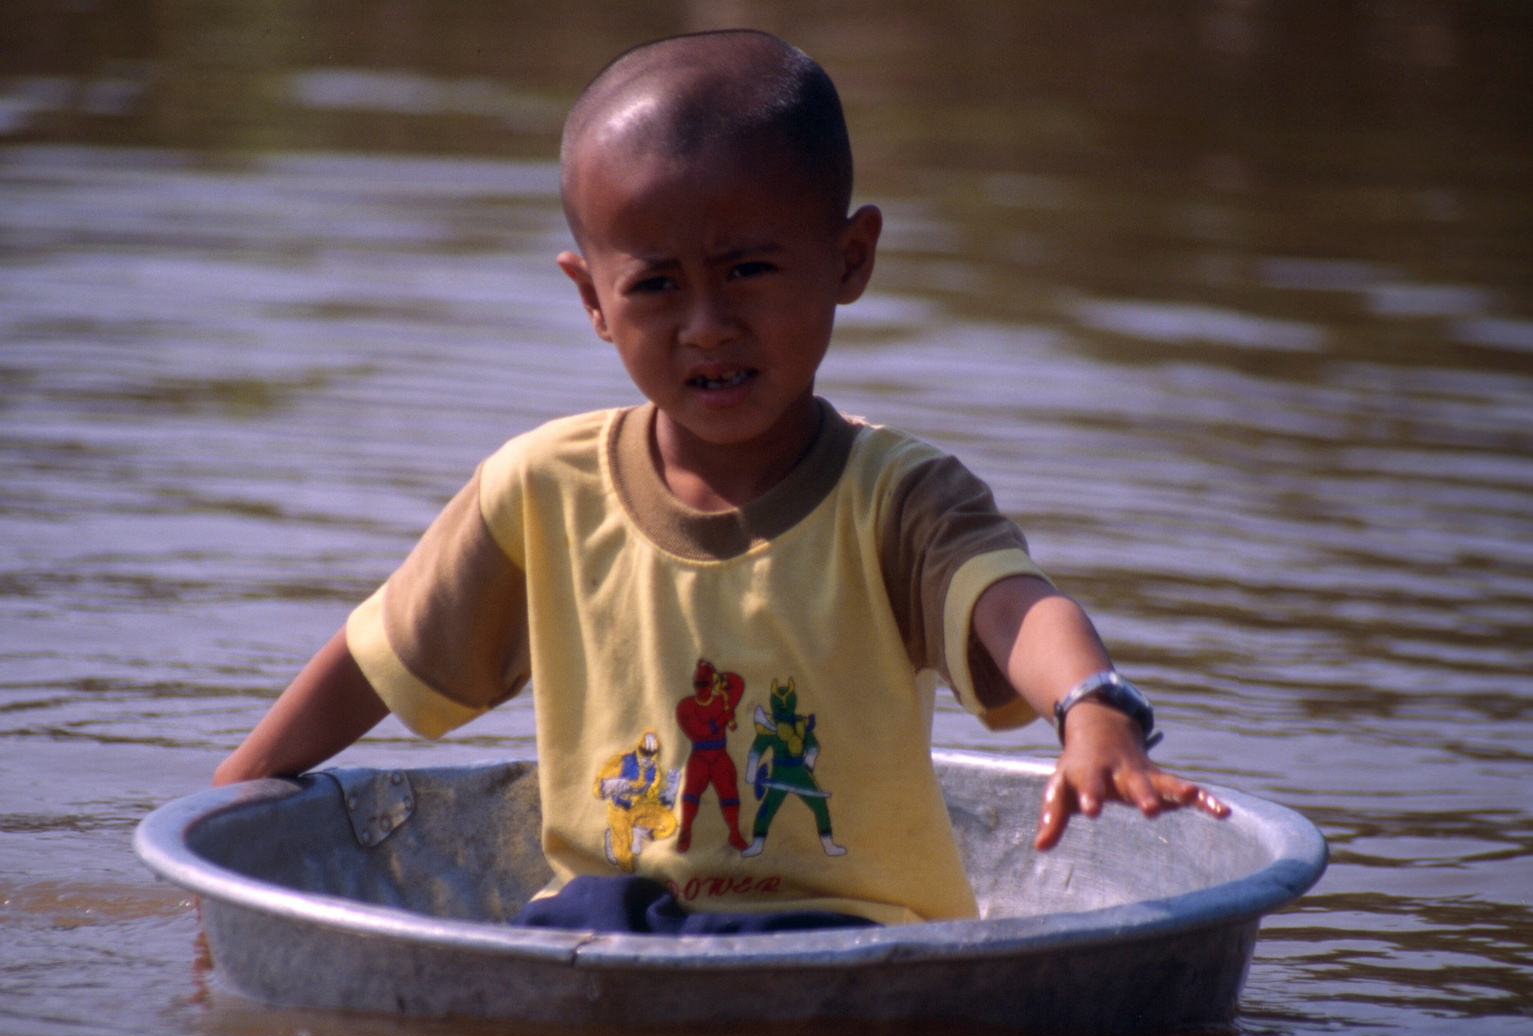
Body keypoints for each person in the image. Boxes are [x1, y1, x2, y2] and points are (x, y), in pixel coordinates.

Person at [213, 29, 1227, 932]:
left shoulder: (899, 498)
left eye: (748, 269)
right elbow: (378, 651)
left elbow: (1017, 607)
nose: (707, 325)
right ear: (593, 300)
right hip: (609, 932)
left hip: (846, 939)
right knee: (582, 913)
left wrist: (1093, 710)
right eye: (656, 285)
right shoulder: (540, 488)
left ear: (849, 258)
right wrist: (236, 795)